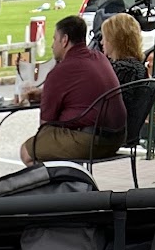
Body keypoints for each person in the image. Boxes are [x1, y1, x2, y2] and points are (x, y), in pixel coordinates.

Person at [16, 14, 124, 165]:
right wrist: (44, 94)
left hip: (89, 142)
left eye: (54, 39)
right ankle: (71, 176)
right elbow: (81, 94)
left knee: (27, 152)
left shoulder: (60, 72)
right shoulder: (99, 58)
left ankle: (63, 180)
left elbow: (46, 125)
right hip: (117, 137)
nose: (52, 45)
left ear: (64, 40)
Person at [101, 11, 149, 91]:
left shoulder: (120, 70)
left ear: (114, 41)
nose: (101, 42)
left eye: (104, 38)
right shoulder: (138, 67)